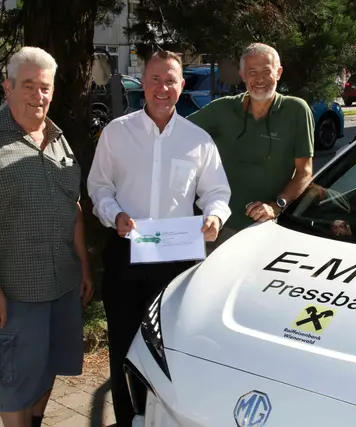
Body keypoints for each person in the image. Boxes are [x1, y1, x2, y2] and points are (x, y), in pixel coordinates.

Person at [0, 46, 93, 427]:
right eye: (28, 85)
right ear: (8, 88)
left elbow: (73, 207)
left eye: (45, 87)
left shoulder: (59, 139)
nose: (38, 95)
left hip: (62, 285)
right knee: (13, 380)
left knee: (49, 367)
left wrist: (84, 267)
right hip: (14, 292)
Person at [87, 51, 231, 426]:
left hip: (178, 260)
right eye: (155, 79)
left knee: (172, 349)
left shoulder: (197, 140)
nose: (162, 88)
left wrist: (214, 216)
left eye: (170, 80)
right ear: (143, 82)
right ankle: (127, 419)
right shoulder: (117, 132)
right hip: (127, 253)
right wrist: (113, 214)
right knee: (124, 346)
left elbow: (217, 191)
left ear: (181, 85)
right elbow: (99, 186)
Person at [187, 42, 315, 249]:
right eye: (252, 72)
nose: (259, 79)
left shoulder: (296, 110)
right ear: (242, 75)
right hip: (216, 226)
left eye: (266, 71)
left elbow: (304, 172)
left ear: (279, 73)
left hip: (266, 227)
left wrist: (276, 205)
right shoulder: (221, 109)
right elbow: (176, 133)